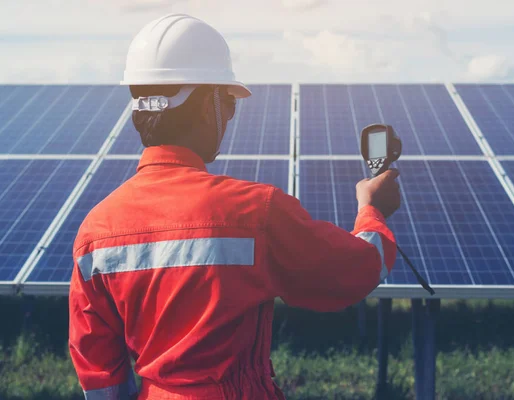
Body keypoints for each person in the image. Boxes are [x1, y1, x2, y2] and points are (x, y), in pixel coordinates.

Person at [68, 13, 401, 400]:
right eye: (227, 101)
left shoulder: (95, 232)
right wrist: (372, 209)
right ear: (209, 102)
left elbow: (99, 372)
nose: (230, 115)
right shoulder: (254, 212)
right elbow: (357, 269)